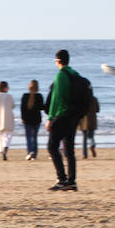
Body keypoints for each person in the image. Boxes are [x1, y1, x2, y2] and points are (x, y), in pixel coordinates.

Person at [45, 49, 80, 191]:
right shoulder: (74, 74)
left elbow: (56, 99)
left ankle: (62, 179)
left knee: (52, 146)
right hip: (73, 116)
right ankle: (71, 180)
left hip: (62, 115)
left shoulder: (60, 75)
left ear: (58, 61)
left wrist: (50, 118)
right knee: (69, 150)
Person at [19, 80, 43, 161]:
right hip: (37, 119)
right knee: (35, 137)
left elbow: (22, 108)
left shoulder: (25, 96)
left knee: (28, 137)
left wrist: (22, 117)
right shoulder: (39, 96)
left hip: (27, 119)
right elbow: (41, 107)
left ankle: (30, 152)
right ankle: (35, 155)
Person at [0, 81, 15, 161]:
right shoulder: (9, 96)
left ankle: (1, 151)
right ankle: (5, 149)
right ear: (5, 87)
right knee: (7, 136)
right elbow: (13, 106)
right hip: (8, 118)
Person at [79, 89, 99, 159]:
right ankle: (92, 145)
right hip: (92, 120)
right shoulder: (94, 99)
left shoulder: (82, 99)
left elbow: (79, 110)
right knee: (91, 136)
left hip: (84, 121)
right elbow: (98, 110)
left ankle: (85, 154)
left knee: (84, 138)